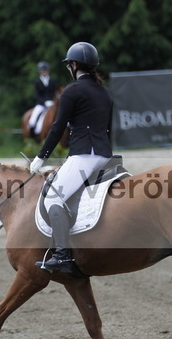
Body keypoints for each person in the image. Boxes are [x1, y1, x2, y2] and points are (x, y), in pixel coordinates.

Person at [29, 42, 113, 274]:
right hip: (105, 155)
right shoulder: (105, 92)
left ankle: (62, 255)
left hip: (85, 155)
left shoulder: (72, 90)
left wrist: (41, 157)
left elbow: (57, 128)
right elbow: (109, 129)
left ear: (74, 65)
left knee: (53, 198)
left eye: (69, 65)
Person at [28, 61, 57, 137]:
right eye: (43, 70)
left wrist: (53, 101)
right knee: (32, 120)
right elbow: (37, 95)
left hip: (52, 104)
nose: (44, 72)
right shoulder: (37, 82)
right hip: (41, 104)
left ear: (48, 71)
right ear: (40, 71)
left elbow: (55, 93)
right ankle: (33, 136)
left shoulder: (52, 81)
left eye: (45, 70)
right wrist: (44, 102)